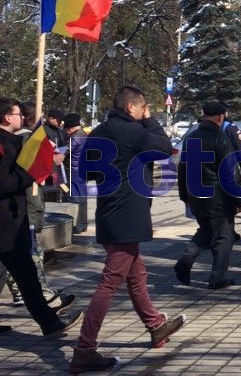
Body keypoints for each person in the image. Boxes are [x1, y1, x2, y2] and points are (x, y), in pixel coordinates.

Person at [70, 87, 186, 373]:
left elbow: (86, 173)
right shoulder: (132, 131)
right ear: (133, 108)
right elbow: (163, 148)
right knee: (110, 283)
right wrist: (150, 120)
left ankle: (156, 325)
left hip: (110, 211)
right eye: (143, 107)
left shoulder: (97, 132)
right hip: (128, 214)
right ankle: (85, 349)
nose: (144, 112)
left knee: (137, 275)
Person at [0, 97, 83, 338]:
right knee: (27, 275)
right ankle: (50, 323)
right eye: (18, 115)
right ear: (7, 117)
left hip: (10, 220)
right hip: (6, 224)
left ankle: (49, 321)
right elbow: (3, 182)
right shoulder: (3, 144)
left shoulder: (10, 141)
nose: (22, 118)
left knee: (25, 275)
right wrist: (31, 174)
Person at [175, 101, 241, 289]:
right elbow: (230, 172)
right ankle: (217, 278)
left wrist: (184, 195)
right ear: (221, 117)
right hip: (219, 199)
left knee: (205, 232)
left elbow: (183, 169)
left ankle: (184, 261)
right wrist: (240, 199)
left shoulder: (192, 138)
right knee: (224, 237)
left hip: (197, 195)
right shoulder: (221, 138)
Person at [221, 106, 241, 242]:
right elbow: (240, 150)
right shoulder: (230, 127)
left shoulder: (199, 129)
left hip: (207, 174)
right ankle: (228, 232)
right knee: (235, 203)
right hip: (229, 171)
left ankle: (227, 231)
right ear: (224, 113)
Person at [63, 113, 89, 234]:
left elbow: (66, 151)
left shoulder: (75, 137)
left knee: (75, 199)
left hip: (74, 172)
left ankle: (77, 225)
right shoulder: (84, 134)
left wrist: (55, 150)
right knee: (82, 198)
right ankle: (83, 223)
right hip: (82, 170)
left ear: (70, 128)